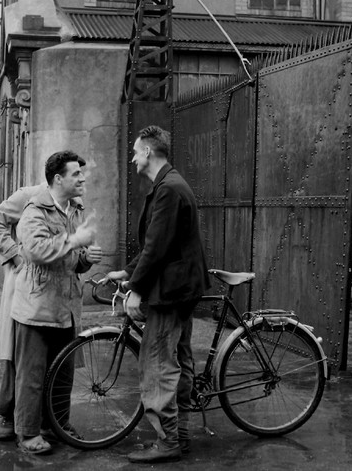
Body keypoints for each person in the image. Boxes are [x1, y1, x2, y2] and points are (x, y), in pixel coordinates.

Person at [105, 125, 210, 463]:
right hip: (180, 288)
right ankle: (179, 436)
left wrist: (135, 288)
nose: (134, 157)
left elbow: (157, 249)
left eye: (136, 151)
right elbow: (158, 243)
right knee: (177, 360)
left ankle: (168, 442)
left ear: (148, 152)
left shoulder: (168, 189)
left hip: (172, 291)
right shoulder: (170, 184)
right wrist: (128, 271)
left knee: (158, 364)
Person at [11, 150, 102, 454]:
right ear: (58, 178)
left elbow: (71, 261)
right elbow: (37, 250)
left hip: (66, 307)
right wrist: (76, 241)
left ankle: (58, 424)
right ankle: (27, 432)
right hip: (37, 308)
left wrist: (86, 259)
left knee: (63, 374)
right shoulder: (34, 210)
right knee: (33, 376)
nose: (82, 179)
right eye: (76, 174)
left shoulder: (74, 210)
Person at [0, 182, 47, 441]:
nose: (80, 179)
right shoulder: (29, 195)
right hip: (23, 284)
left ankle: (45, 419)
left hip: (50, 292)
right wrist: (15, 255)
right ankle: (8, 415)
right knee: (16, 353)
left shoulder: (71, 203)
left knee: (44, 357)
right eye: (74, 172)